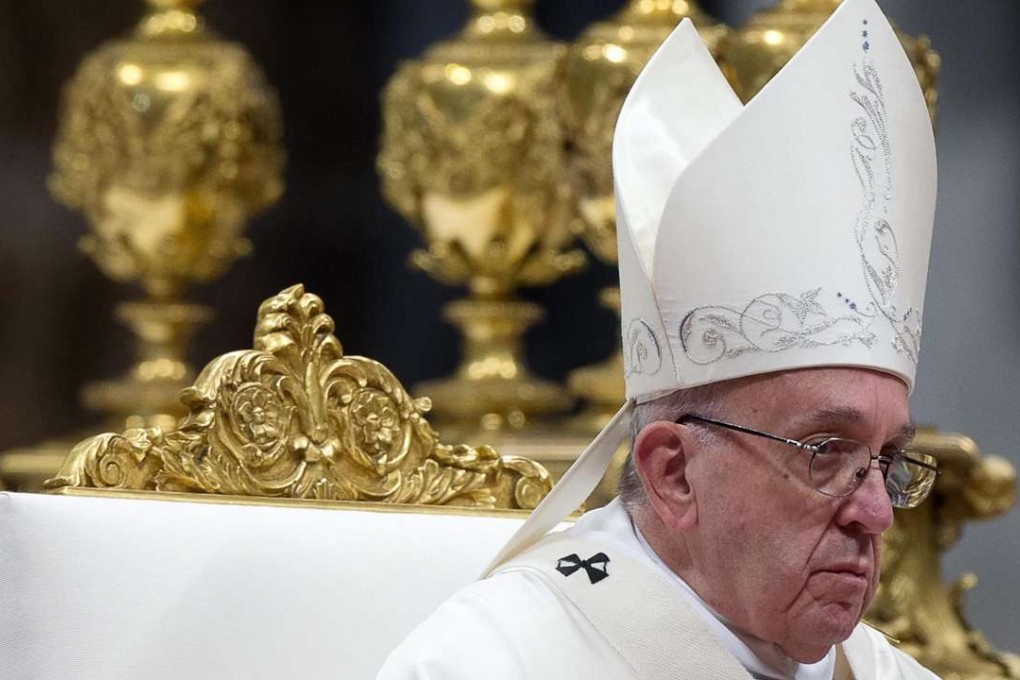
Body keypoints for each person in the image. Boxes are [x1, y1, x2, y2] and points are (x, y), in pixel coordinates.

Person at [379, 0, 941, 677]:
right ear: (672, 472)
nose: (876, 513)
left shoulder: (880, 671)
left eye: (887, 460)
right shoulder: (494, 659)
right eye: (827, 452)